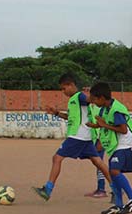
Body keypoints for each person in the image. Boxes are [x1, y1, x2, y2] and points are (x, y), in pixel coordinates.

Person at [32, 74, 112, 202]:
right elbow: (70, 117)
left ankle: (48, 189)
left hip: (77, 136)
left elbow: (89, 100)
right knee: (98, 162)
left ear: (71, 85)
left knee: (57, 158)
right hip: (85, 137)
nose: (63, 91)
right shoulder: (74, 100)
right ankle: (116, 188)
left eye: (63, 88)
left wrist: (90, 94)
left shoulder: (79, 96)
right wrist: (56, 113)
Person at [88, 82, 132, 214]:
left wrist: (104, 125)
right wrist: (96, 126)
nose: (93, 102)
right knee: (112, 172)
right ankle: (118, 205)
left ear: (101, 98)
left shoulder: (116, 109)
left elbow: (123, 130)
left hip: (126, 142)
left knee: (114, 171)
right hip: (117, 143)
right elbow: (105, 124)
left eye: (94, 99)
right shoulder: (104, 109)